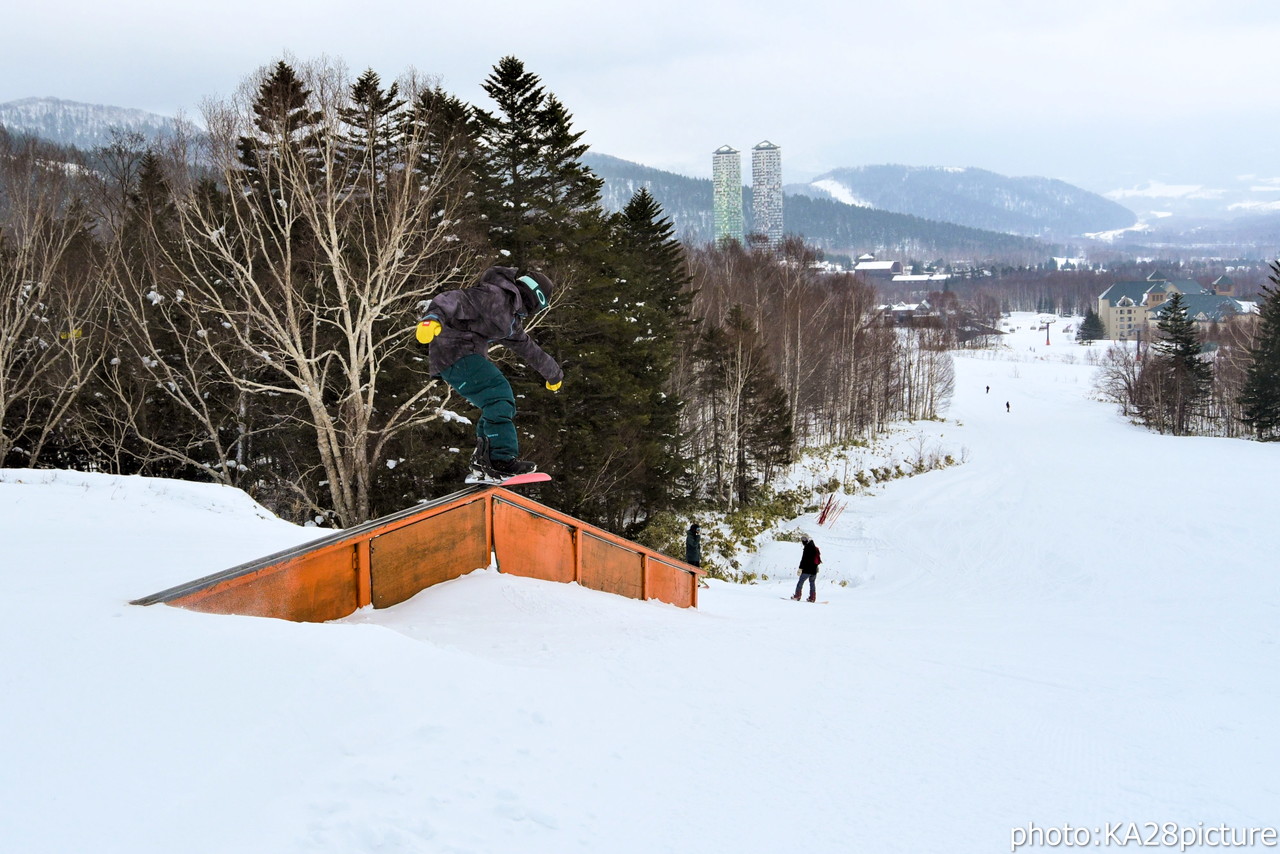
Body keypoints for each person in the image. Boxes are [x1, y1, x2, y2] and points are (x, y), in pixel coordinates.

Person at [416, 266, 563, 481]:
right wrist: (432, 318)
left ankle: (483, 459)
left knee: (493, 403)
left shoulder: (510, 319)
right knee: (499, 395)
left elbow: (528, 348)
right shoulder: (494, 296)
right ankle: (500, 460)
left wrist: (554, 374)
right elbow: (454, 299)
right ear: (534, 296)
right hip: (455, 353)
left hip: (463, 356)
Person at [791, 534, 821, 602]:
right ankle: (812, 597)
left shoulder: (807, 548)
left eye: (804, 539)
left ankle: (797, 595)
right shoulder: (815, 548)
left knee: (800, 582)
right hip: (814, 570)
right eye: (802, 539)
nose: (803, 541)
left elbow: (804, 560)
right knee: (812, 583)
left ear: (807, 539)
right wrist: (816, 567)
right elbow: (817, 559)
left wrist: (800, 568)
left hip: (807, 570)